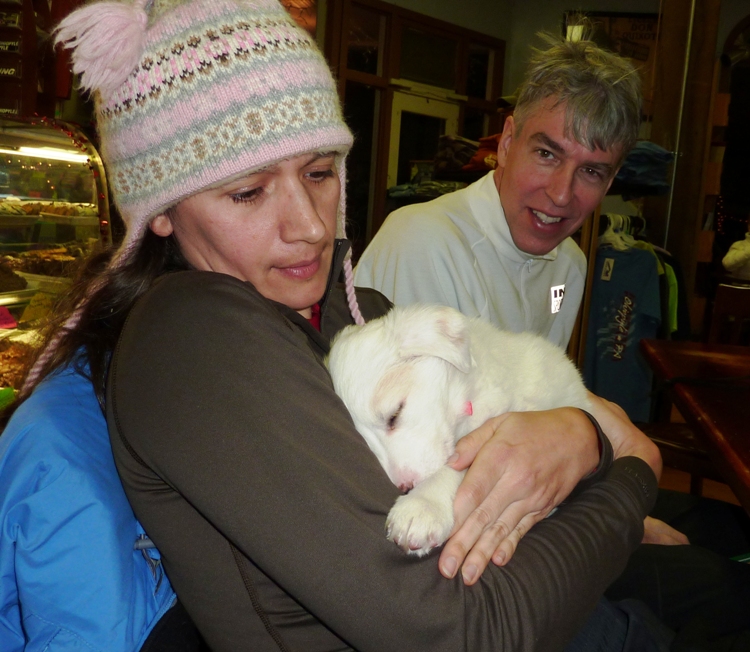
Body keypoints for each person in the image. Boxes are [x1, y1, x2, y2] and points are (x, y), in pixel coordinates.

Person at [0, 1, 675, 649]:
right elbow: (466, 631)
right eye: (248, 191)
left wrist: (577, 441)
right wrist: (627, 473)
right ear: (163, 212)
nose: (312, 226)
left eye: (320, 172)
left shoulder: (360, 312)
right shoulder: (193, 335)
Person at [355, 34, 750, 644]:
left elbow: (548, 390)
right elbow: (416, 470)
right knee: (718, 587)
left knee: (728, 531)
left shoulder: (567, 266)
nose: (563, 195)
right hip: (457, 537)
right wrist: (620, 517)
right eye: (546, 153)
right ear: (507, 140)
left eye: (591, 172)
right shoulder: (425, 243)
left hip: (539, 493)